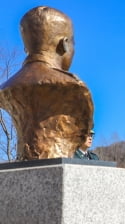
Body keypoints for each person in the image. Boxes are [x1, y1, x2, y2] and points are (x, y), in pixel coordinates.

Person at [0, 6, 94, 160]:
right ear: (64, 44)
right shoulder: (73, 87)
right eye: (73, 43)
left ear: (26, 47)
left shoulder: (6, 88)